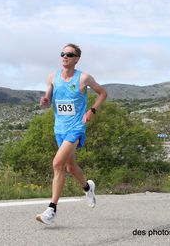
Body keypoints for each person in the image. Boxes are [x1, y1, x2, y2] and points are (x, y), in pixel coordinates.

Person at [36, 43, 107, 225]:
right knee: (70, 167)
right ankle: (87, 187)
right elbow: (48, 100)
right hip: (59, 128)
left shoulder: (83, 78)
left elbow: (103, 93)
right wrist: (44, 101)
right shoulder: (53, 77)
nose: (65, 56)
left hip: (76, 127)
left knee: (57, 163)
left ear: (76, 59)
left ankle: (51, 210)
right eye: (63, 53)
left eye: (69, 54)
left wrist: (92, 110)